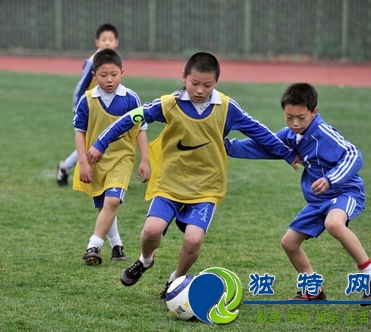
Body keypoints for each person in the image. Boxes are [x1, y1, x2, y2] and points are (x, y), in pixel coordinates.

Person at [86, 52, 299, 300]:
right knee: (151, 232)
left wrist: (286, 153)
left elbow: (259, 131)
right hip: (170, 184)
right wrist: (101, 143)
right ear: (184, 77)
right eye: (194, 83)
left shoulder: (226, 107)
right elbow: (130, 119)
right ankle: (145, 260)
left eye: (207, 85)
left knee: (193, 239)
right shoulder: (169, 104)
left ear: (216, 82)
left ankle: (175, 279)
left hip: (206, 188)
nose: (200, 90)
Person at [225, 82, 371, 304]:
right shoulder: (291, 135)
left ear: (314, 112)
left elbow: (353, 154)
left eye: (301, 117)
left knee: (334, 224)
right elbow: (264, 146)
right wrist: (226, 146)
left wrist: (331, 179)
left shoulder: (323, 133)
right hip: (319, 200)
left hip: (345, 191)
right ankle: (313, 290)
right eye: (289, 117)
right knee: (289, 243)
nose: (294, 123)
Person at [73, 49, 151, 265]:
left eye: (114, 74)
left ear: (122, 73)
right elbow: (79, 132)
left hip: (122, 159)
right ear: (94, 75)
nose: (109, 79)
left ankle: (93, 245)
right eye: (104, 75)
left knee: (113, 200)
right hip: (95, 161)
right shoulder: (87, 101)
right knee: (104, 206)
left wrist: (144, 160)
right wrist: (82, 163)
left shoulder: (130, 99)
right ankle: (117, 245)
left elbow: (141, 129)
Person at [57, 23, 119, 187]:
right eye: (104, 39)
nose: (107, 42)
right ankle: (66, 166)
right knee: (93, 143)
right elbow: (81, 85)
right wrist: (77, 107)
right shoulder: (93, 61)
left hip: (105, 110)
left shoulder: (114, 60)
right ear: (97, 42)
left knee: (102, 142)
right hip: (90, 108)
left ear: (116, 43)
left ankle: (112, 174)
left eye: (110, 39)